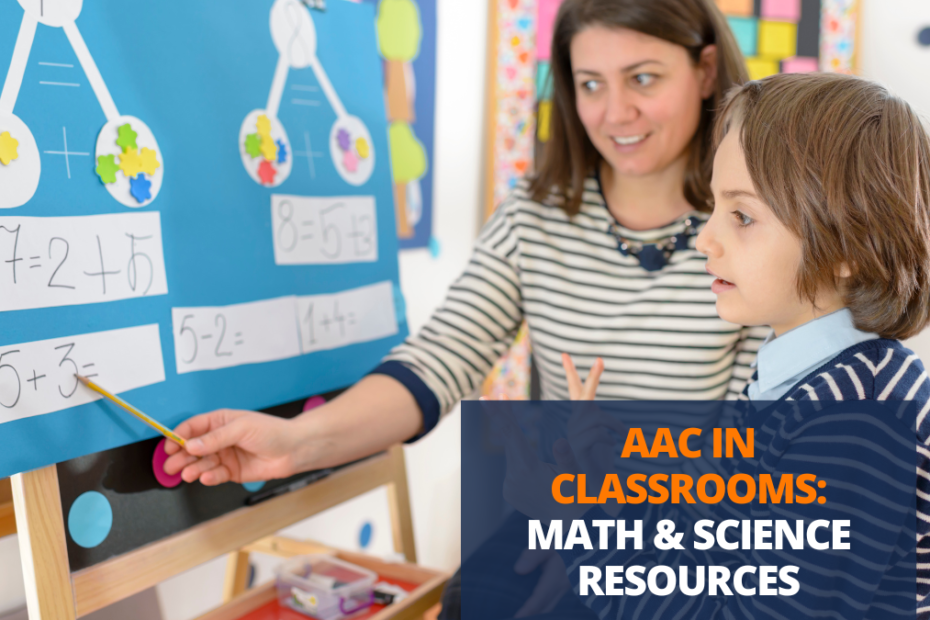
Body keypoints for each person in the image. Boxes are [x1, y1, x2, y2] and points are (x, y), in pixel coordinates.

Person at [165, 0, 763, 614]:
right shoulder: (534, 218)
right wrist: (295, 443)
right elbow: (440, 357)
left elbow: (764, 438)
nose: (616, 112)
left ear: (706, 68)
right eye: (590, 84)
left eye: (643, 78)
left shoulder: (754, 229)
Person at [546, 71, 930, 619]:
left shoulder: (856, 415)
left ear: (852, 246)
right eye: (715, 208)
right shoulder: (800, 376)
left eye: (742, 216)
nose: (705, 239)